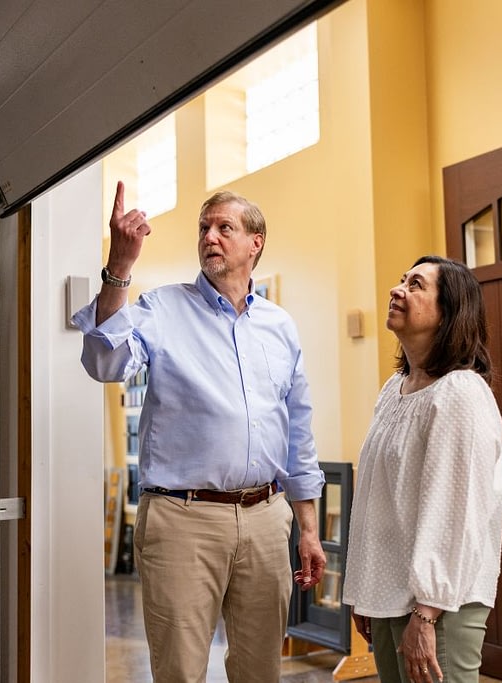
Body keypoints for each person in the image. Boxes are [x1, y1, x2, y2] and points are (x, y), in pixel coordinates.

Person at [72, 181, 326, 683]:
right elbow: (104, 362)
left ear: (256, 242)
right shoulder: (161, 308)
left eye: (224, 227)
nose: (210, 236)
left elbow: (298, 431)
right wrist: (118, 266)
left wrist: (309, 529)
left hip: (266, 520)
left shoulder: (280, 326)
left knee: (260, 672)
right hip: (182, 520)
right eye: (204, 228)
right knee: (181, 673)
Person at [343, 255, 502, 683]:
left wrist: (428, 610)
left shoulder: (459, 393)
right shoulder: (392, 392)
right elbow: (376, 498)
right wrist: (366, 593)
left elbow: (456, 511)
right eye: (401, 280)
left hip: (439, 605)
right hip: (389, 591)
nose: (398, 289)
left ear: (448, 314)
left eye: (416, 285)